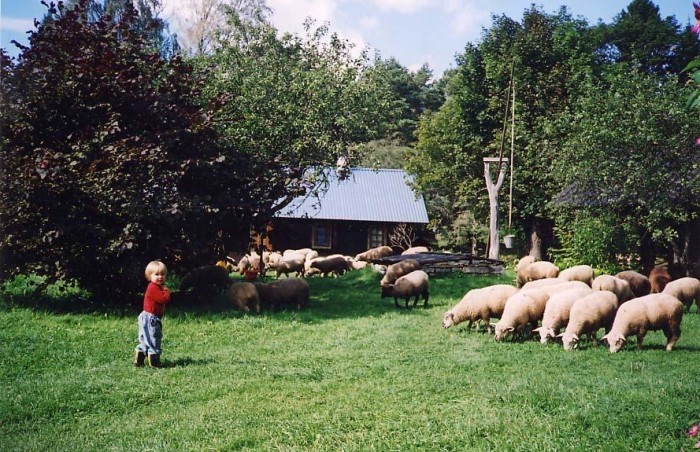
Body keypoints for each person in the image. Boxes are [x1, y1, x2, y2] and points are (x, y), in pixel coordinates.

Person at [134, 260, 171, 368]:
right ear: (149, 276)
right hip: (151, 318)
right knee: (154, 338)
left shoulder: (154, 287)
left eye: (162, 274)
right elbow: (164, 299)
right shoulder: (153, 287)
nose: (160, 277)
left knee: (146, 338)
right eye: (157, 274)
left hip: (146, 316)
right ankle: (154, 362)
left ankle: (139, 357)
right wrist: (167, 290)